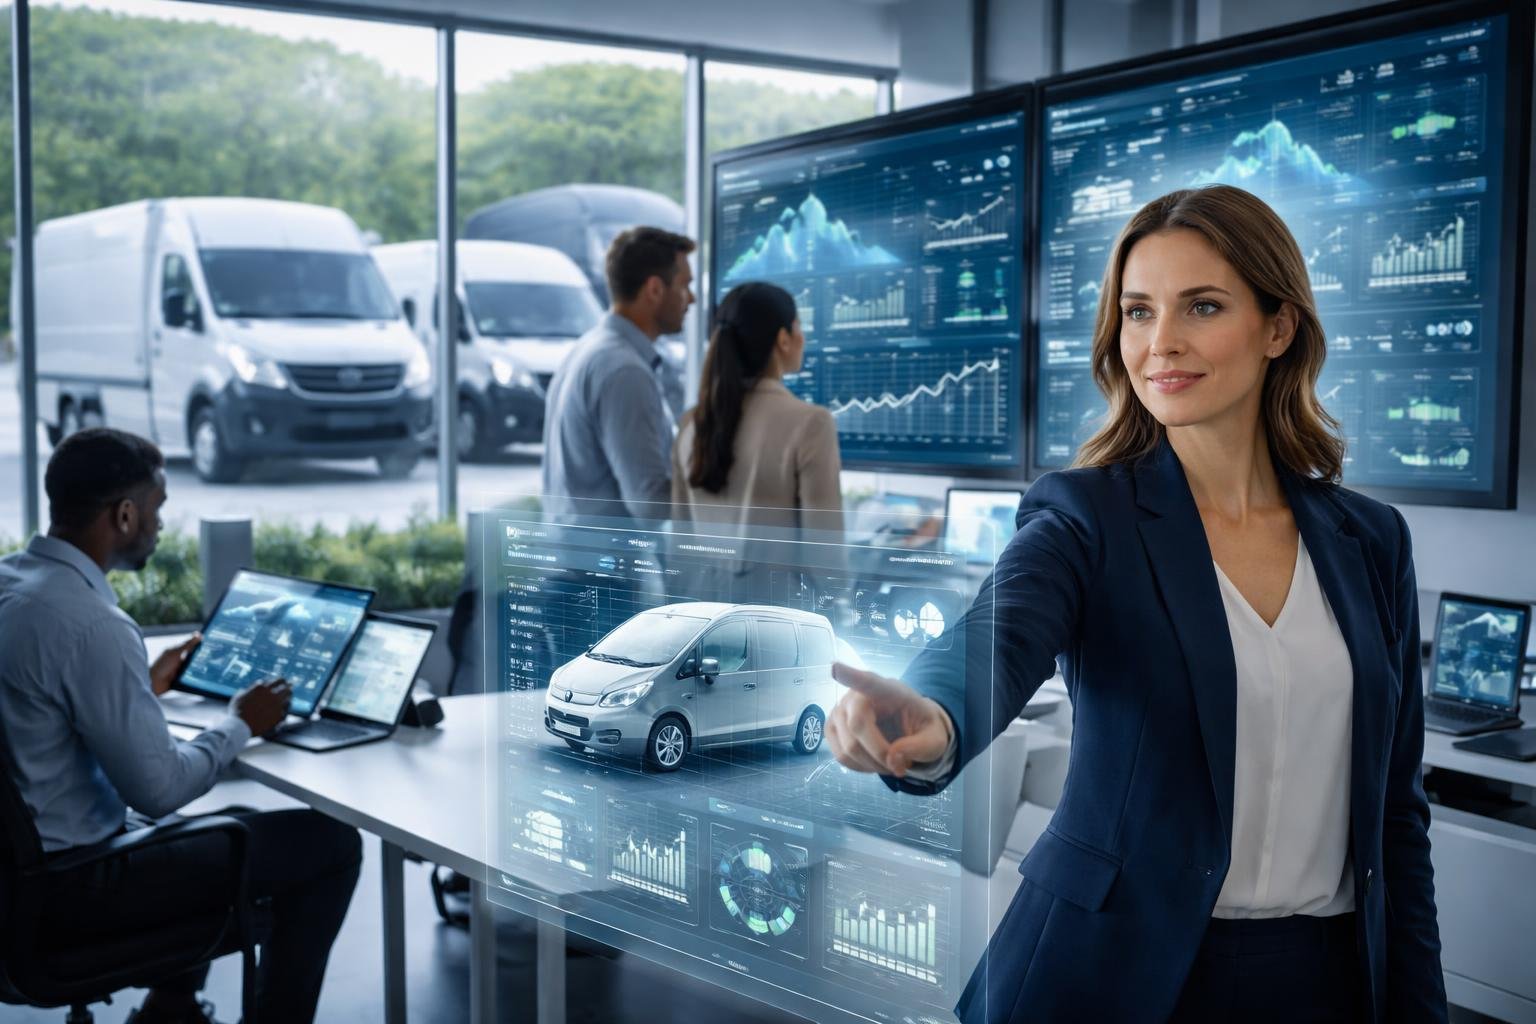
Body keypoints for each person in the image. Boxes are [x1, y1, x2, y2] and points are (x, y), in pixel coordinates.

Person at [825, 186, 1445, 1023]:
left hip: (1326, 982)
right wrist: (934, 718)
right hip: (1113, 975)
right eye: (1139, 311)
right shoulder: (1086, 516)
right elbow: (998, 635)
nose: (1162, 343)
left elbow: (1397, 820)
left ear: (1278, 327)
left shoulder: (1372, 540)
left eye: (1203, 306)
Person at [0, 428, 362, 1024]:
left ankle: (172, 1010)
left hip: (21, 879)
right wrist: (240, 723)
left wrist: (140, 687)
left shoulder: (15, 585)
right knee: (330, 845)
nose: (160, 524)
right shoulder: (92, 624)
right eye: (157, 508)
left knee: (233, 826)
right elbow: (159, 787)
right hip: (73, 890)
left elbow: (36, 706)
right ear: (123, 515)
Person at [671, 281, 843, 568]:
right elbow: (827, 565)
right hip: (773, 610)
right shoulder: (811, 423)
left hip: (699, 606)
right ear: (783, 339)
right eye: (799, 327)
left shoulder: (692, 422)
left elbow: (679, 546)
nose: (803, 338)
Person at [542, 225, 695, 523]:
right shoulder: (625, 371)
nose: (691, 299)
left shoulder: (588, 349)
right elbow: (650, 504)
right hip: (600, 566)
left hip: (576, 559)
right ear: (654, 289)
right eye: (684, 285)